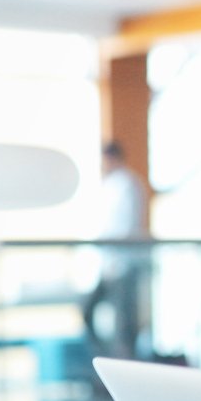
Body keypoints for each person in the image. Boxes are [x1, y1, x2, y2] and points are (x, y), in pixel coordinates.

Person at [82, 141, 151, 362]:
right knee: (88, 311)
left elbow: (124, 226)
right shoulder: (110, 186)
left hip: (125, 263)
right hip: (107, 263)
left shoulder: (128, 185)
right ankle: (104, 361)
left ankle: (125, 367)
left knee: (124, 323)